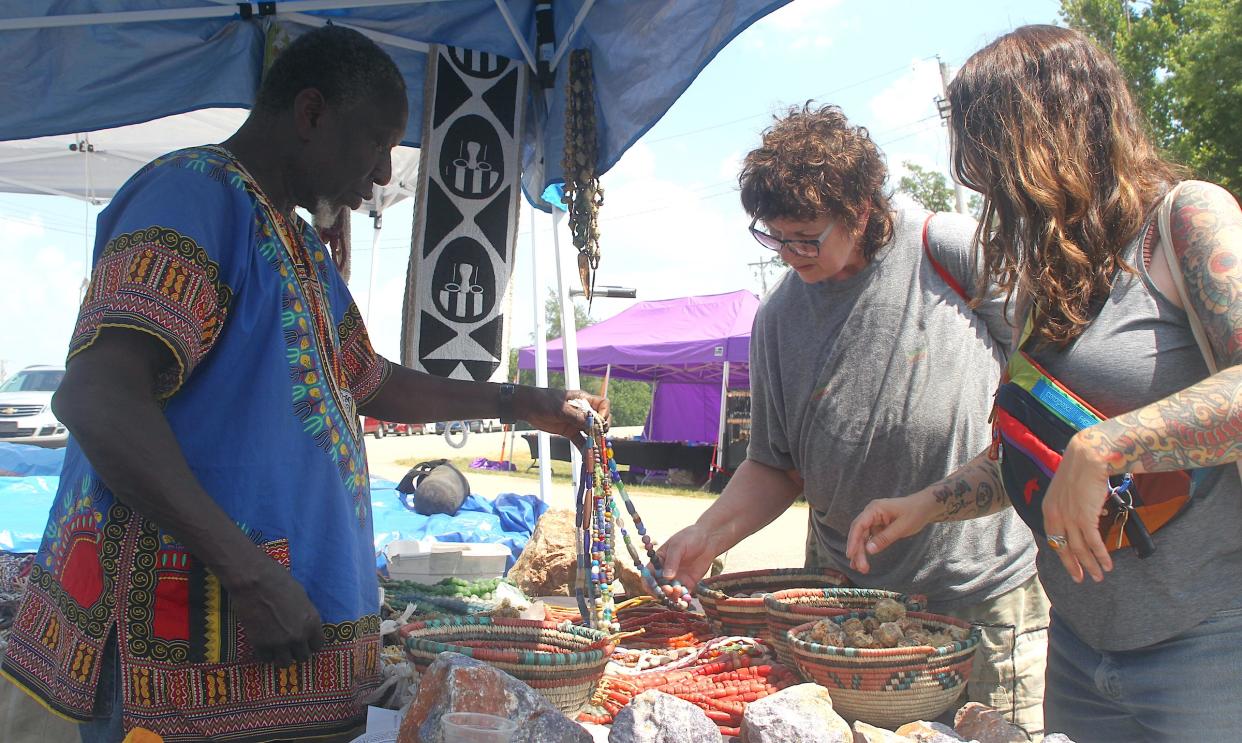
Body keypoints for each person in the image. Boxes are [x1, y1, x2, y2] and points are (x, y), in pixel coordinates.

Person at [0, 26, 607, 743]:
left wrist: (514, 401)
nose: (384, 174)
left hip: (265, 662)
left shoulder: (296, 244)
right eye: (377, 142)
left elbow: (371, 381)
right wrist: (247, 572)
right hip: (187, 651)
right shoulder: (193, 195)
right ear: (312, 113)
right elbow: (96, 398)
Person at [846, 24, 1242, 741]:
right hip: (1082, 653)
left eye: (995, 156)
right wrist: (923, 504)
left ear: (1056, 130)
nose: (988, 184)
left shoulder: (1185, 220)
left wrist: (1107, 446)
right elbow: (1035, 447)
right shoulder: (1049, 270)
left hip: (1207, 649)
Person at [658, 103, 1048, 734]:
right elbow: (774, 463)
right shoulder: (778, 317)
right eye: (772, 236)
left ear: (862, 211)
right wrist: (708, 535)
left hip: (979, 594)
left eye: (806, 237)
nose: (789, 255)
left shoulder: (946, 248)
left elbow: (1047, 367)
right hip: (842, 608)